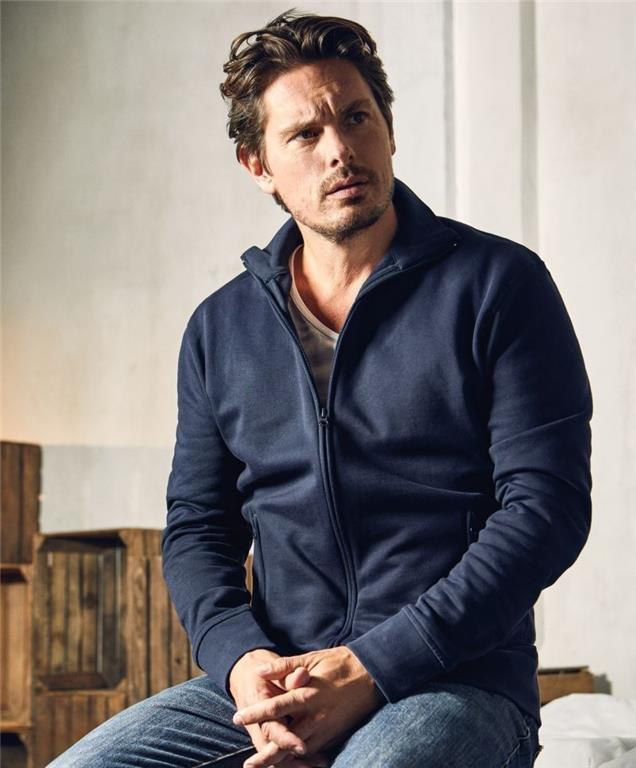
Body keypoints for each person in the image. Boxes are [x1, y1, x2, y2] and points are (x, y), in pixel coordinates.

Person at [49, 9, 593, 768]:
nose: (340, 149)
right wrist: (242, 663)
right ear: (258, 165)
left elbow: (546, 509)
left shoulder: (499, 285)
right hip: (278, 679)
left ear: (389, 129)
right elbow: (199, 528)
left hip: (454, 681)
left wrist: (373, 666)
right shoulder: (220, 329)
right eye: (305, 134)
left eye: (357, 117)